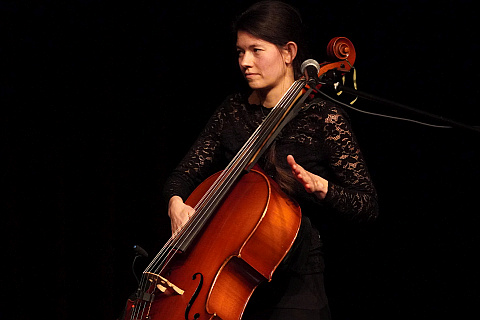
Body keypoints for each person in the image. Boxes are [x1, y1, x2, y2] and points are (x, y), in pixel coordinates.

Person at [163, 1, 379, 319]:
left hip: (296, 286)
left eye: (256, 50)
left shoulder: (323, 117)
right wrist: (175, 203)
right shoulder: (232, 111)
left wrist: (324, 190)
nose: (245, 62)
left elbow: (368, 205)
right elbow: (183, 173)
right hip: (226, 276)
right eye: (240, 52)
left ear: (289, 52)